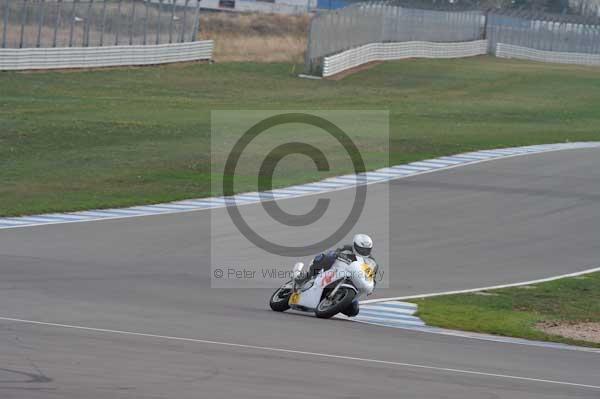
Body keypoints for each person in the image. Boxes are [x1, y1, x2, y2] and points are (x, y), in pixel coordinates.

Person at [296, 234, 376, 317]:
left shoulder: (371, 261)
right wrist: (335, 254)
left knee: (354, 311)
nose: (364, 251)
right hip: (337, 271)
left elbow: (372, 277)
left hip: (354, 280)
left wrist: (371, 286)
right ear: (354, 245)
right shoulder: (347, 248)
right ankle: (305, 277)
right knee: (323, 258)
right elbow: (334, 252)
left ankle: (335, 303)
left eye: (366, 250)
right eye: (361, 249)